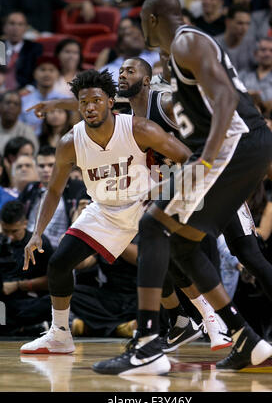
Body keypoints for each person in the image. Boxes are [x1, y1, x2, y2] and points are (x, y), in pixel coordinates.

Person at [90, 0, 272, 375]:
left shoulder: (186, 40)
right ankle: (245, 337)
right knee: (181, 244)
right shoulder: (178, 55)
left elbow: (227, 99)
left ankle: (147, 345)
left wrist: (205, 161)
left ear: (151, 20)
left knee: (152, 227)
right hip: (241, 147)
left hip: (232, 147)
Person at [19, 69, 191, 357]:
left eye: (96, 100)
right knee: (59, 264)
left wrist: (170, 193)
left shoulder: (137, 128)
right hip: (104, 210)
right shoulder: (69, 142)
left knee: (164, 266)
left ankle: (192, 321)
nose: (89, 107)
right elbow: (53, 191)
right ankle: (60, 334)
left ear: (111, 102)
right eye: (84, 102)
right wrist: (37, 233)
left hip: (143, 203)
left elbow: (188, 159)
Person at [0, 200, 53, 336]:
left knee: (52, 303)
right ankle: (24, 329)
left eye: (14, 231)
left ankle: (14, 328)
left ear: (25, 223)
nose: (10, 237)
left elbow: (52, 281)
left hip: (28, 300)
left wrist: (18, 285)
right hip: (4, 301)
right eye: (6, 231)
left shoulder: (39, 243)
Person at [19, 146, 84, 250]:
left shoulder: (76, 187)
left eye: (50, 165)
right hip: (30, 242)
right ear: (36, 167)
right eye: (41, 166)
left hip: (61, 245)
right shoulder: (30, 188)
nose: (46, 170)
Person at [0, 0, 95, 36]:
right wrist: (28, 30)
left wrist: (85, 3)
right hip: (22, 35)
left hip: (46, 35)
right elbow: (6, 16)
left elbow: (66, 5)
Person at [19, 56, 67, 135]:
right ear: (34, 74)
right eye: (42, 69)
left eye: (51, 70)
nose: (47, 74)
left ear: (58, 75)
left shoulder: (65, 100)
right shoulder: (23, 101)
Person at [1, 12, 43, 91]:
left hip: (25, 93)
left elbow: (39, 74)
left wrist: (28, 89)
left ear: (26, 28)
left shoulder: (34, 48)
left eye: (20, 24)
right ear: (4, 27)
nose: (15, 28)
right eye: (12, 23)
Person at [239, 37, 272, 114]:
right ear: (255, 54)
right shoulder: (243, 76)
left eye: (271, 50)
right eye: (263, 50)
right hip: (245, 117)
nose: (267, 54)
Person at [215, 4, 255, 72]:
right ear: (228, 22)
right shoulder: (214, 44)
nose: (244, 28)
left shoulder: (252, 45)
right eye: (240, 23)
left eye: (247, 24)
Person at [0, 90, 39, 156]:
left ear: (20, 109)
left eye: (16, 104)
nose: (11, 106)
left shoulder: (27, 131)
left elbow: (33, 156)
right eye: (8, 103)